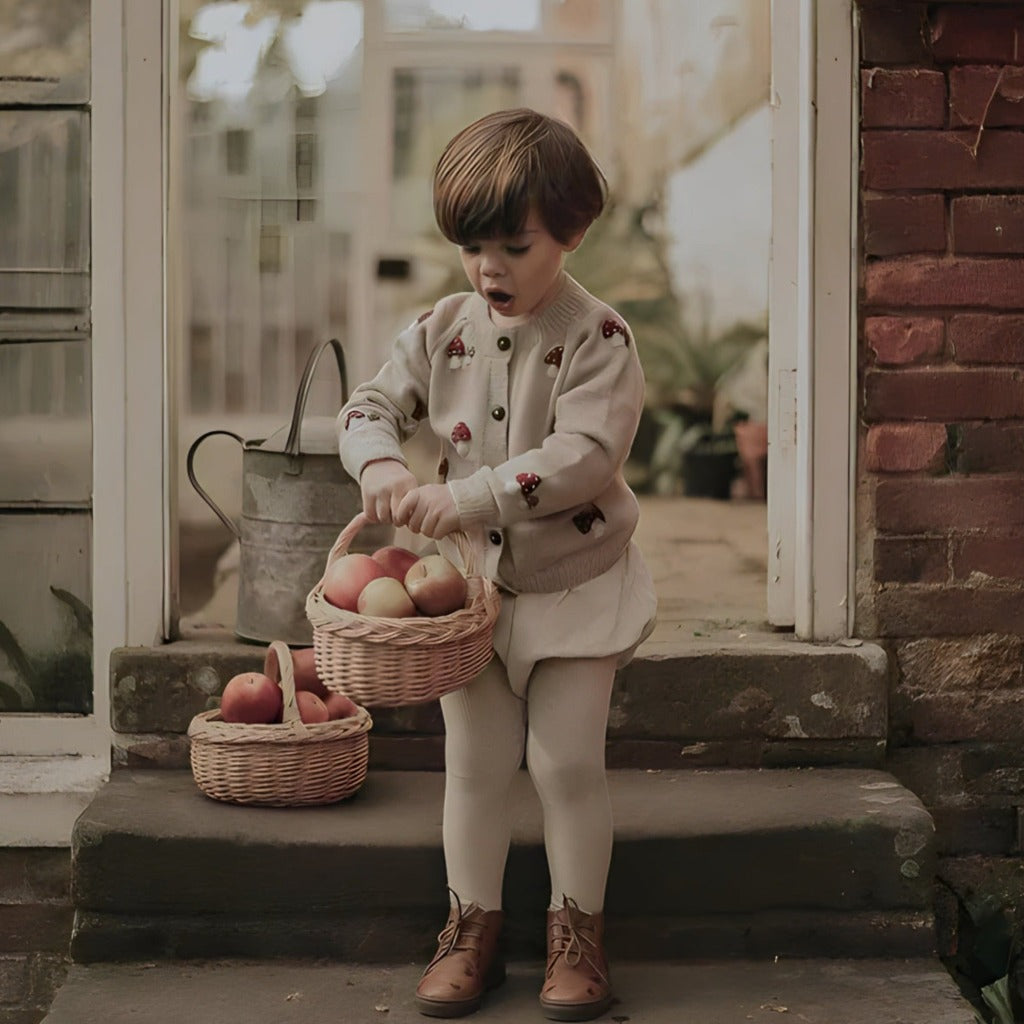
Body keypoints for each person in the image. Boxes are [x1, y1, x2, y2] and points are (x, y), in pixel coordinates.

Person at [337, 107, 657, 1021]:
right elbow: (366, 407)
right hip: (467, 595)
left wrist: (471, 496)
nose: (489, 270)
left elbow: (587, 454)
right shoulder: (441, 328)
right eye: (474, 247)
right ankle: (471, 925)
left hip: (575, 589)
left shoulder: (599, 338)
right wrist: (386, 464)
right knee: (475, 766)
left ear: (572, 231)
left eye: (514, 246)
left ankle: (576, 932)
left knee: (563, 766)